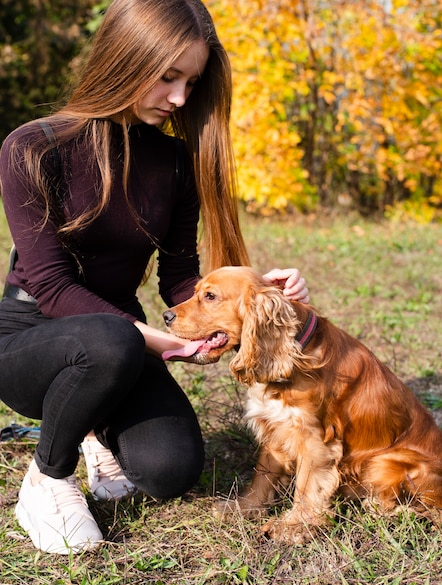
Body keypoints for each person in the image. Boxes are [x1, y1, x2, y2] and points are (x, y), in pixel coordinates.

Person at [0, 0, 309, 555]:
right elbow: (50, 284)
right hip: (29, 338)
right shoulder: (32, 146)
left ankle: (94, 428)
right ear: (123, 57)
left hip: (117, 341)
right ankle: (48, 479)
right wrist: (148, 339)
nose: (179, 99)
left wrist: (259, 298)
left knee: (171, 469)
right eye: (168, 77)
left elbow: (181, 277)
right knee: (112, 337)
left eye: (190, 82)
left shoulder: (174, 163)